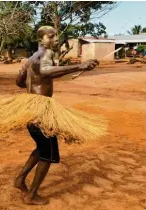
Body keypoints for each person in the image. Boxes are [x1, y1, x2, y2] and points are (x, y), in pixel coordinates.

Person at [12, 26, 98, 205]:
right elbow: (45, 71)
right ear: (41, 40)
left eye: (55, 35)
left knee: (41, 147)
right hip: (41, 112)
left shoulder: (30, 58)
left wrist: (30, 79)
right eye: (51, 36)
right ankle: (31, 195)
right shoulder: (46, 53)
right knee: (48, 153)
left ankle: (20, 179)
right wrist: (79, 65)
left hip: (30, 109)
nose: (55, 39)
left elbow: (19, 82)